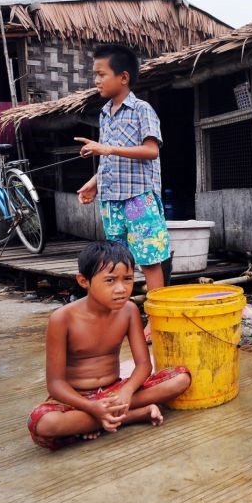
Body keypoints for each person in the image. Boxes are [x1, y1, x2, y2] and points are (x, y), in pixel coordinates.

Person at [27, 241, 191, 450]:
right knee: (43, 423)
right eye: (110, 280)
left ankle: (94, 422)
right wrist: (91, 407)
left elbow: (143, 365)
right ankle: (130, 416)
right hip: (78, 399)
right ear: (83, 281)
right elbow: (56, 384)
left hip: (117, 392)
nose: (121, 289)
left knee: (180, 379)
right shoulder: (62, 319)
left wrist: (127, 391)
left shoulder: (129, 310)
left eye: (128, 279)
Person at [75, 44, 170, 341]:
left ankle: (156, 320)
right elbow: (109, 159)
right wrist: (94, 181)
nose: (97, 80)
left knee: (150, 260)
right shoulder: (105, 114)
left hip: (139, 197)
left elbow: (151, 151)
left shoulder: (142, 109)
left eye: (101, 74)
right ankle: (119, 318)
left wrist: (107, 148)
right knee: (117, 262)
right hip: (112, 199)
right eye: (95, 75)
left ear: (124, 77)